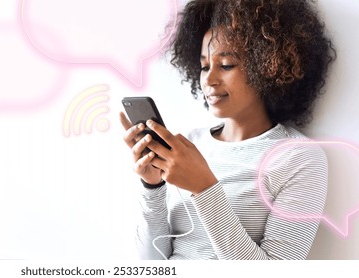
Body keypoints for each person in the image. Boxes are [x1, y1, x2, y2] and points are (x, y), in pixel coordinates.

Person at [120, 0, 335, 260]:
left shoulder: (299, 158)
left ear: (268, 66)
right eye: (204, 66)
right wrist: (152, 186)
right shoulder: (188, 143)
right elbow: (150, 263)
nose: (209, 80)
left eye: (226, 65)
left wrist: (205, 188)